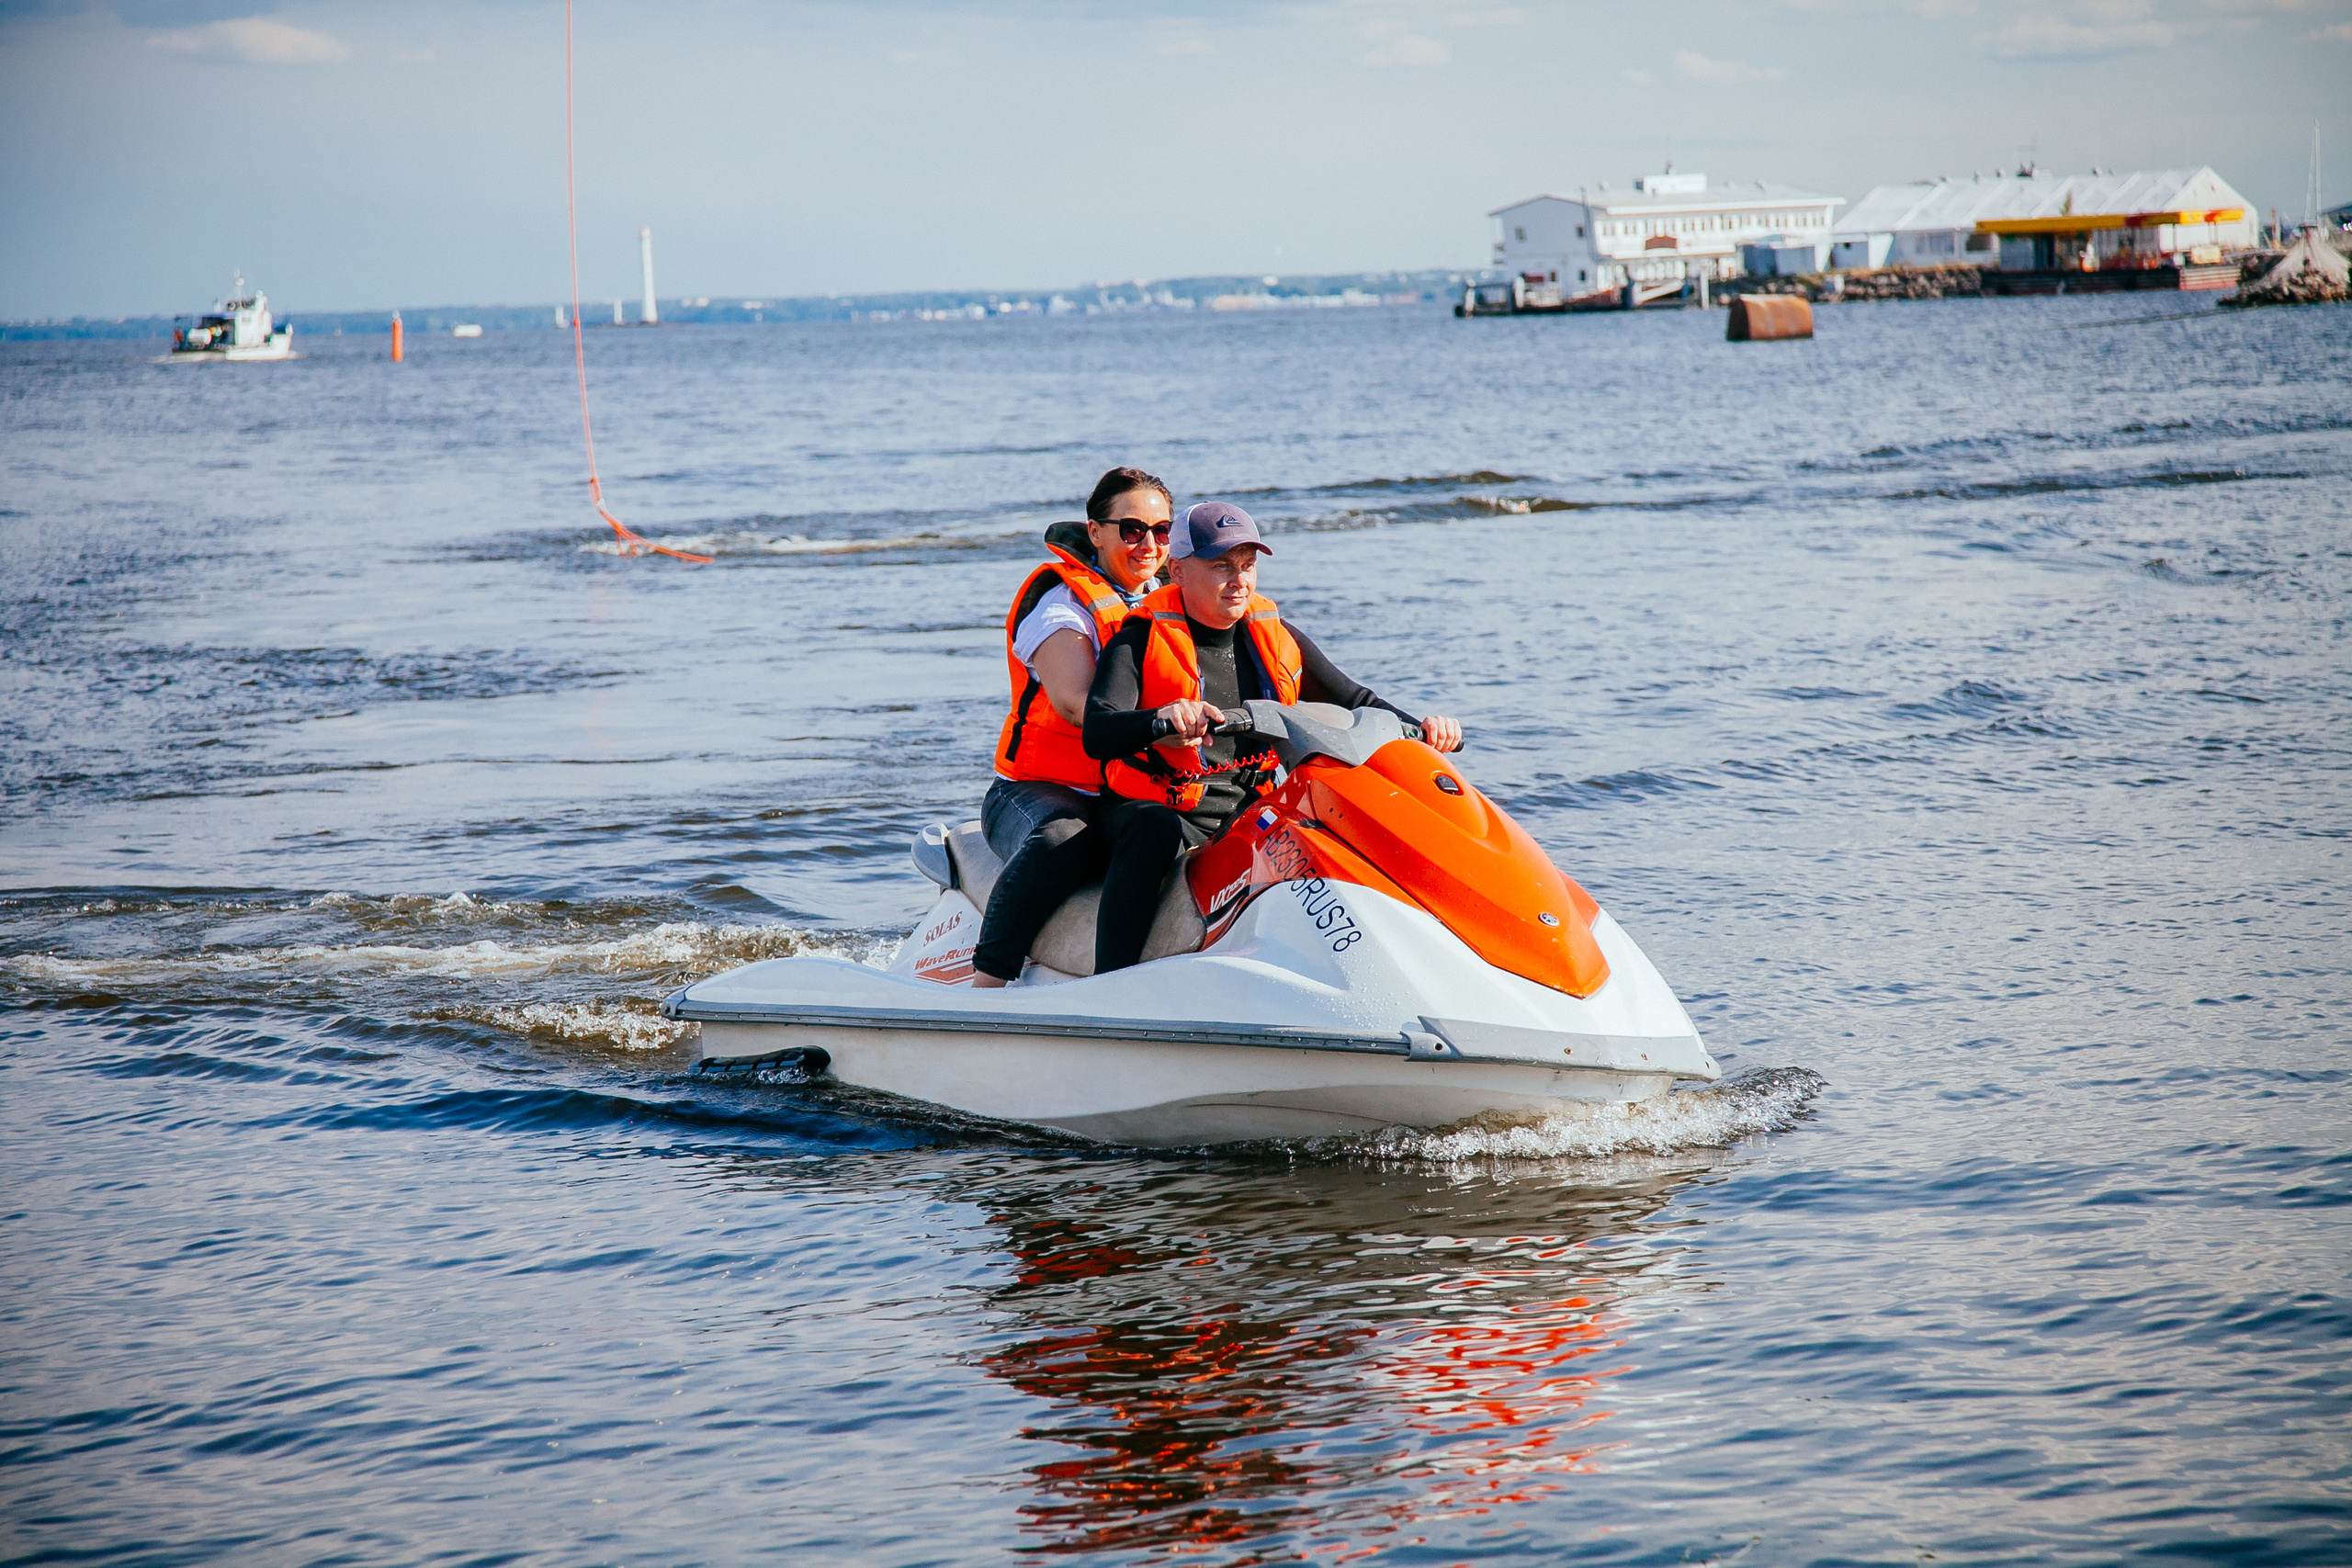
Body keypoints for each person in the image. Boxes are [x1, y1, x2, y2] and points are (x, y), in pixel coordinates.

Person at [1081, 502, 1461, 975]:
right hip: (1158, 809)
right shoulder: (1137, 640)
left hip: (1246, 808)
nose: (1238, 580)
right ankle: (1112, 980)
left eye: (1247, 565)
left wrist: (1424, 730)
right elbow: (1097, 731)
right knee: (1152, 829)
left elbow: (1356, 700)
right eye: (1221, 566)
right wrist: (1160, 719)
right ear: (1177, 570)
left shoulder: (1275, 636)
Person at [970, 468, 1173, 987]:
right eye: (1132, 529)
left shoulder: (1174, 601)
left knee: (1161, 826)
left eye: (1162, 530)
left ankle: (1118, 985)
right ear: (1096, 532)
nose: (1149, 544)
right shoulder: (1060, 605)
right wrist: (1165, 723)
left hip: (1124, 789)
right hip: (1038, 791)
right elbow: (1076, 705)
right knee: (1067, 837)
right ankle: (985, 988)